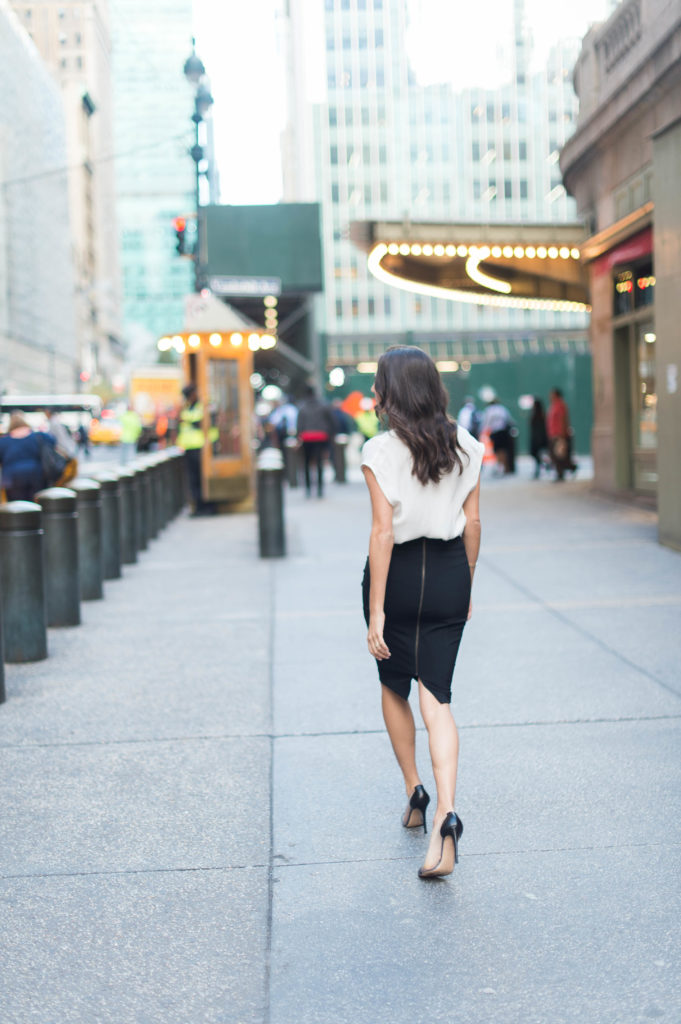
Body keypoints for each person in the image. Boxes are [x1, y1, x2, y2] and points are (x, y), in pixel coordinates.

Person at [360, 347, 483, 879]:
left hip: (402, 575)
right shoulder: (468, 445)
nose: (373, 395)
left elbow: (383, 534)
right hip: (452, 570)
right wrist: (467, 584)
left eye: (377, 385)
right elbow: (473, 525)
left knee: (393, 686)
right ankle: (448, 815)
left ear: (392, 392)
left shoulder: (379, 450)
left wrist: (376, 611)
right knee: (438, 697)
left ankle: (416, 790)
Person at [0, 411, 56, 500]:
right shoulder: (39, 436)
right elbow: (53, 441)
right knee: (36, 502)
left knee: (17, 506)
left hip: (12, 478)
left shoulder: (3, 441)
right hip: (36, 474)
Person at [177, 383, 212, 515]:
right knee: (193, 479)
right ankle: (198, 506)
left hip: (200, 448)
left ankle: (205, 506)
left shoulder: (200, 407)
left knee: (201, 478)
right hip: (189, 448)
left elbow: (202, 424)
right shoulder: (186, 408)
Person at [296, 386, 336, 498]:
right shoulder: (323, 405)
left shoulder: (302, 407)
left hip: (306, 437)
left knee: (306, 464)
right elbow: (332, 421)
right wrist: (331, 435)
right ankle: (320, 489)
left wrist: (298, 437)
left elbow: (299, 424)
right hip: (321, 436)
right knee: (319, 463)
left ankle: (308, 489)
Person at [546, 388, 576, 481]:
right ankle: (564, 470)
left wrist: (563, 434)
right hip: (553, 434)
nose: (550, 396)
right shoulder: (553, 405)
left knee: (559, 455)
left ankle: (564, 471)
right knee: (556, 455)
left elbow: (563, 420)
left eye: (552, 394)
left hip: (559, 434)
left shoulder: (560, 405)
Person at [481, 397, 514, 474]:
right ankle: (505, 467)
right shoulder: (502, 409)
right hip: (503, 432)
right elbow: (509, 420)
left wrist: (483, 432)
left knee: (497, 450)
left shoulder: (489, 410)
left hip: (495, 432)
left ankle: (500, 466)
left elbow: (486, 422)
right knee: (504, 450)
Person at [529, 398, 549, 478]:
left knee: (538, 455)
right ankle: (543, 467)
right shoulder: (540, 415)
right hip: (539, 438)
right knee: (538, 455)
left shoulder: (539, 416)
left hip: (538, 438)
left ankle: (542, 467)